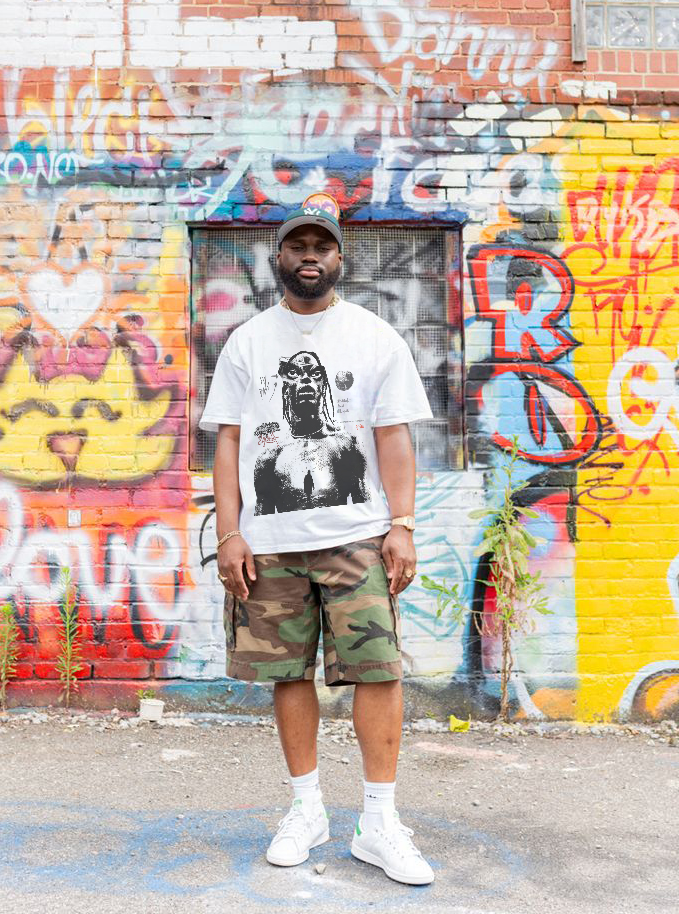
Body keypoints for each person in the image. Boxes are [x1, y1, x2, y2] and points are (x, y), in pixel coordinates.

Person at [200, 197, 435, 887]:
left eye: (322, 246)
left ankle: (379, 822)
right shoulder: (247, 342)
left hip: (358, 538)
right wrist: (230, 532)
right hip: (269, 543)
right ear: (279, 257)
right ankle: (307, 810)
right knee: (286, 673)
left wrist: (402, 525)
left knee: (379, 672)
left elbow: (394, 437)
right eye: (298, 246)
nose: (310, 256)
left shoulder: (374, 337)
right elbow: (228, 442)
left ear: (339, 257)